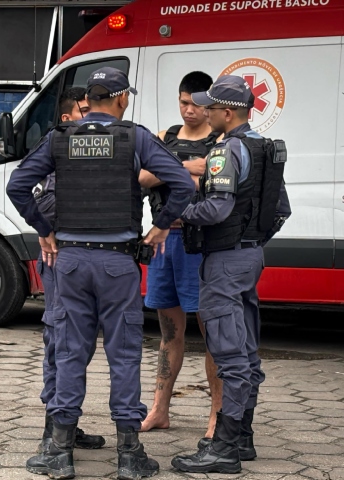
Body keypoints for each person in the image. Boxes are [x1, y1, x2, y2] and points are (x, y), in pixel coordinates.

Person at [6, 67, 195, 480]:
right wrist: (161, 226)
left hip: (70, 261)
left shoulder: (59, 138)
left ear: (88, 100)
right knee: (123, 354)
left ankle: (59, 452)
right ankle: (129, 456)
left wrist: (45, 229)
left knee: (70, 352)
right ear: (122, 98)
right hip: (117, 263)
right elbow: (183, 183)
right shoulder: (136, 137)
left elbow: (18, 185)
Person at [170, 75, 291, 474]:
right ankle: (243, 439)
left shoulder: (225, 151)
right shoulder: (266, 148)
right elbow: (279, 210)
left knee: (230, 354)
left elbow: (216, 210)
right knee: (246, 347)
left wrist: (178, 213)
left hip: (223, 260)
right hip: (250, 257)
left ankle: (222, 449)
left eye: (209, 107)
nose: (203, 111)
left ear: (226, 112)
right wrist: (252, 238)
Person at [138, 71, 224, 443]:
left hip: (201, 244)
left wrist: (170, 169)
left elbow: (211, 176)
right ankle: (159, 411)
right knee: (168, 332)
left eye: (195, 104)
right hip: (163, 242)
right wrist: (186, 169)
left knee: (213, 334)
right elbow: (141, 177)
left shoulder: (221, 140)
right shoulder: (164, 137)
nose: (188, 110)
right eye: (183, 102)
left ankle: (218, 417)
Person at [31, 87, 104, 469]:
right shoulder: (59, 149)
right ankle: (53, 432)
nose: (94, 117)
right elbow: (41, 200)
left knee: (81, 346)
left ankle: (66, 423)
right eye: (86, 110)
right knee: (61, 343)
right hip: (61, 260)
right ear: (67, 118)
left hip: (85, 263)